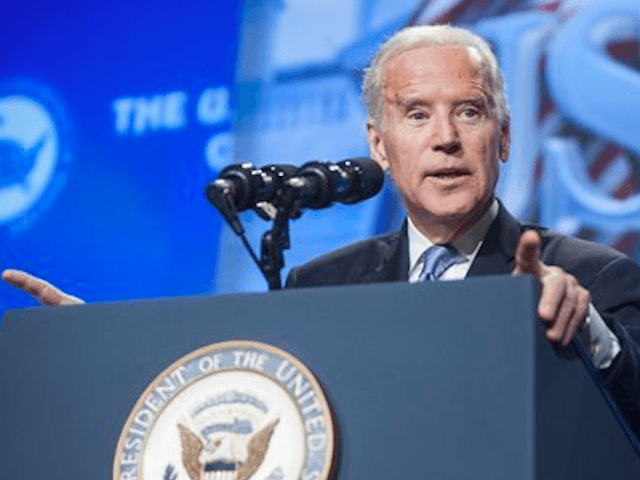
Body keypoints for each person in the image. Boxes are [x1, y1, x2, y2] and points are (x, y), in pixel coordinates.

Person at [3, 25, 640, 434]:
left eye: (468, 112)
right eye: (416, 115)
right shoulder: (321, 286)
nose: (445, 139)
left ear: (502, 137)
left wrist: (593, 337)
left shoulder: (594, 277)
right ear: (380, 145)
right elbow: (244, 410)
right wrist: (100, 351)